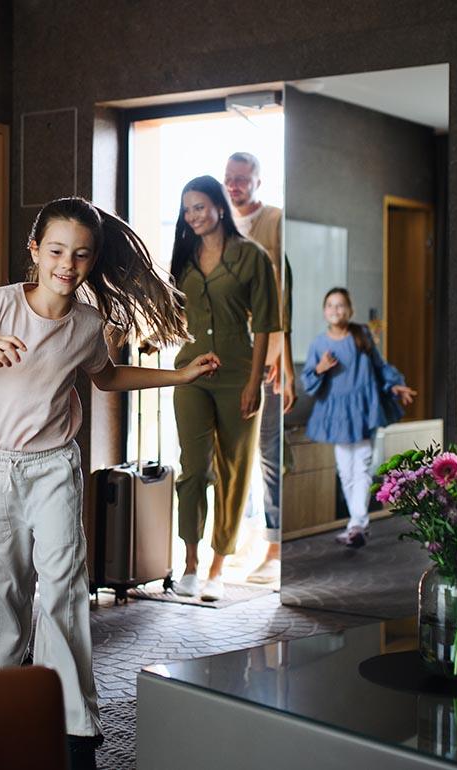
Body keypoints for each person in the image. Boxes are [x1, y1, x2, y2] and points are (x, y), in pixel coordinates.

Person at [0, 197, 219, 770]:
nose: (67, 263)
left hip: (55, 466)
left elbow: (106, 378)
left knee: (63, 587)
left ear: (92, 260)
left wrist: (178, 374)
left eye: (81, 254)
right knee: (7, 582)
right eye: (56, 250)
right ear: (35, 250)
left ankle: (76, 725)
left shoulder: (86, 324)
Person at [170, 175, 280, 602]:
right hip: (191, 374)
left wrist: (255, 382)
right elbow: (172, 310)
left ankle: (219, 566)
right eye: (186, 210)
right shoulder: (184, 256)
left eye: (199, 206)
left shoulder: (252, 256)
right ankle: (191, 564)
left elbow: (267, 323)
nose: (192, 216)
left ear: (218, 206)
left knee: (234, 474)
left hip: (239, 377)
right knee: (194, 469)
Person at [223, 151, 296, 584]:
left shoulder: (275, 222)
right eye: (229, 178)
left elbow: (281, 298)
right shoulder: (217, 224)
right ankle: (242, 537)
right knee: (231, 452)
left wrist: (278, 361)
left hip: (264, 355)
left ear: (258, 182)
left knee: (268, 451)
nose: (234, 186)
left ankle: (275, 545)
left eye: (242, 180)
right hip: (227, 355)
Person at [301, 287, 417, 547]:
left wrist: (395, 385)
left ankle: (357, 524)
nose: (335, 310)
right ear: (324, 311)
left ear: (350, 310)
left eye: (340, 305)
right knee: (345, 470)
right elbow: (309, 378)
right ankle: (357, 524)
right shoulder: (319, 344)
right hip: (338, 414)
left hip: (364, 409)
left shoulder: (361, 335)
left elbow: (379, 367)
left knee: (362, 466)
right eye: (330, 305)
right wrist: (320, 368)